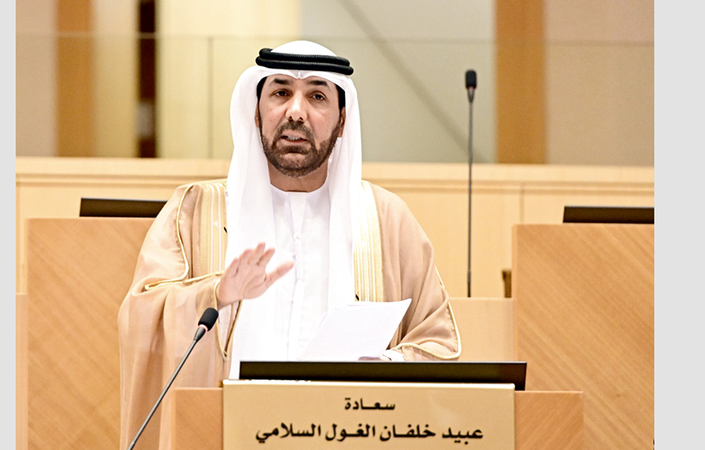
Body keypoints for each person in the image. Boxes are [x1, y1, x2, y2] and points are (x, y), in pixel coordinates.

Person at [117, 40, 461, 449]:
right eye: (281, 92)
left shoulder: (386, 219)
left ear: (342, 120)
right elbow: (141, 316)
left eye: (317, 96)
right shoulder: (196, 208)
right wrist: (216, 294)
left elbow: (438, 343)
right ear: (256, 111)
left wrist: (379, 366)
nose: (296, 111)